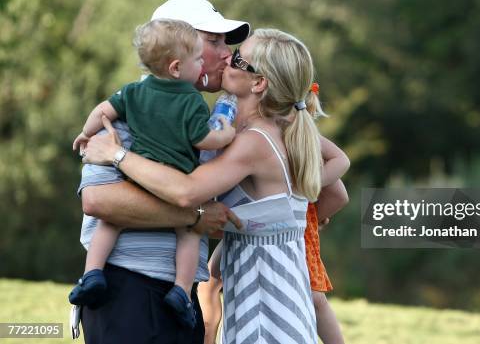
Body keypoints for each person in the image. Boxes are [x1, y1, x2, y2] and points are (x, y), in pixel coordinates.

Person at [83, 28, 338, 343]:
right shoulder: (276, 129)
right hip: (272, 300)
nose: (227, 58)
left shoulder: (253, 142)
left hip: (264, 308)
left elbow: (186, 192)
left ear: (259, 83)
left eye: (238, 59)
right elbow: (336, 191)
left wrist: (116, 154)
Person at [76, 0, 249, 344]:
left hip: (178, 295)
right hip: (127, 291)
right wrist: (194, 216)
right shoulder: (126, 112)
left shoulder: (201, 115)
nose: (227, 53)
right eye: (213, 42)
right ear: (176, 53)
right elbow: (99, 201)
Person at [199, 137, 350, 344]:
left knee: (314, 296)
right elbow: (338, 195)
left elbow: (338, 193)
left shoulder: (268, 137)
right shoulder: (295, 134)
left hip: (279, 228)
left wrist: (305, 222)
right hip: (267, 229)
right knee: (208, 282)